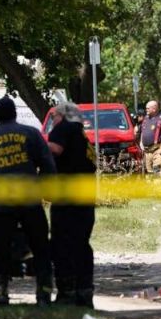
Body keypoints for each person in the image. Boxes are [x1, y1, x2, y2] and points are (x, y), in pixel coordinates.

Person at [0, 96, 56, 305]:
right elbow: (48, 164)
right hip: (30, 200)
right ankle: (44, 292)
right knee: (40, 247)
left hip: (1, 205)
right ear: (14, 113)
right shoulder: (31, 134)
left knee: (1, 251)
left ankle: (1, 294)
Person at [46, 102, 97, 307]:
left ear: (63, 116)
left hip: (66, 200)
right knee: (82, 245)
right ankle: (84, 293)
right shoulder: (82, 136)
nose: (52, 122)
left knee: (61, 244)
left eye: (53, 117)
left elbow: (56, 149)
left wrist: (34, 143)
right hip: (85, 199)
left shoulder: (64, 128)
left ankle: (66, 294)